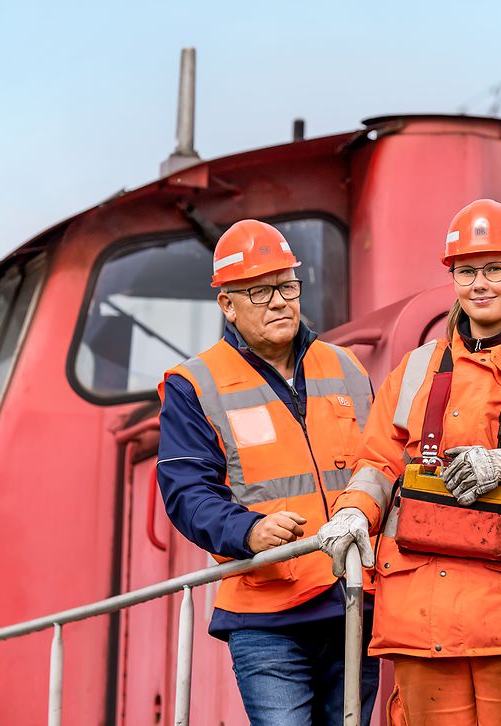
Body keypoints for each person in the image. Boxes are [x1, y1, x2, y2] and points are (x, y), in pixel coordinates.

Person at [318, 199, 501, 724]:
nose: (480, 283)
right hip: (422, 618)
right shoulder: (413, 371)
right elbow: (378, 464)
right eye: (466, 271)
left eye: (495, 269)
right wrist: (353, 511)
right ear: (452, 278)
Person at [157, 219, 380, 726]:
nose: (279, 301)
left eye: (286, 286)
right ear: (227, 305)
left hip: (352, 604)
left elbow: (379, 465)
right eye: (259, 292)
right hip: (266, 614)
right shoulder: (195, 384)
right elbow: (187, 492)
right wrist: (250, 530)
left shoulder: (347, 368)